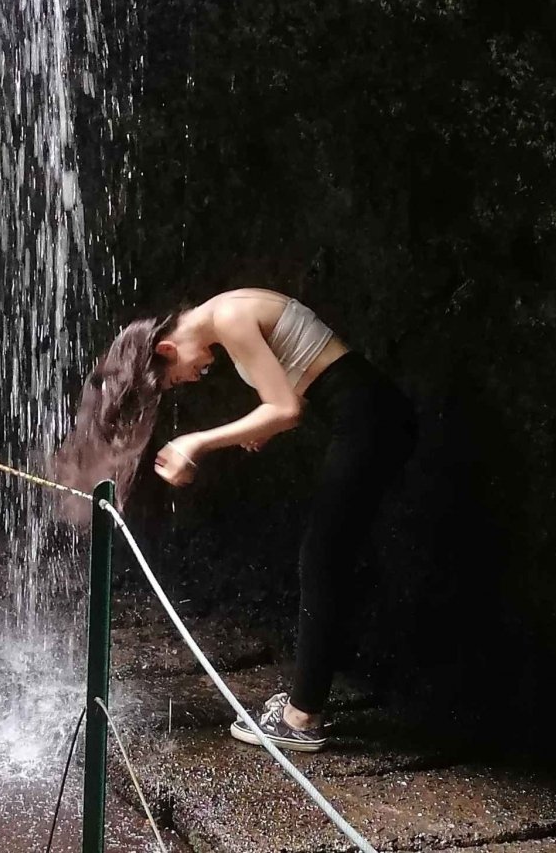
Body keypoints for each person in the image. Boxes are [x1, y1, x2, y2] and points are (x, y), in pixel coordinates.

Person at [53, 288, 417, 752]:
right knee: (329, 554)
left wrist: (196, 443)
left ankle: (303, 719)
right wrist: (259, 427)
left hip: (370, 419)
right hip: (367, 417)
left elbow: (284, 411)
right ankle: (307, 703)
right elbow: (290, 401)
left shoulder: (228, 317)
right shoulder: (226, 315)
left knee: (322, 557)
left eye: (173, 379)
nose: (189, 379)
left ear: (167, 349)